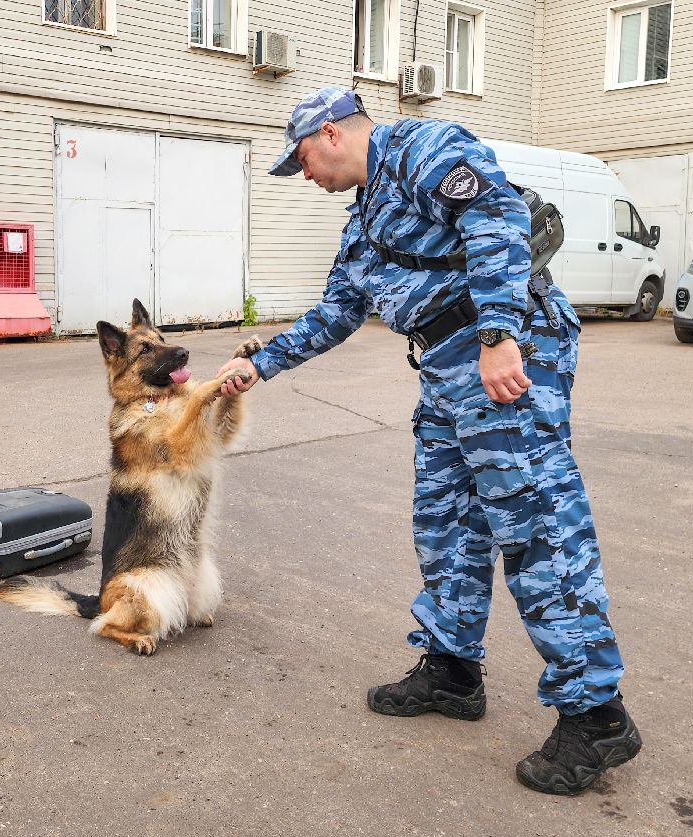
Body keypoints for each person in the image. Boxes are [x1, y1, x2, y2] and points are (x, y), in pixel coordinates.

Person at [216, 86, 641, 796]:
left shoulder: (422, 148)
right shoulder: (363, 221)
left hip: (503, 355)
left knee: (536, 524)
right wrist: (259, 365)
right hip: (447, 371)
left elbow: (497, 217)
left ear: (330, 133)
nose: (306, 176)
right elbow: (336, 313)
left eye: (303, 160)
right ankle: (451, 669)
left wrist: (498, 333)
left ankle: (596, 714)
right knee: (445, 520)